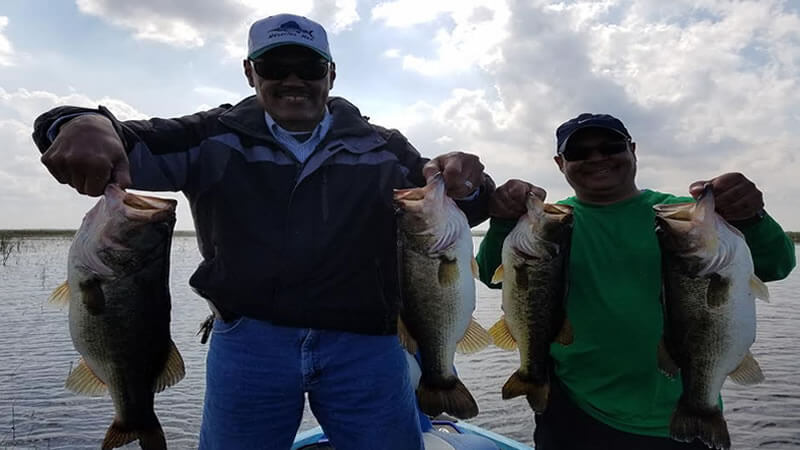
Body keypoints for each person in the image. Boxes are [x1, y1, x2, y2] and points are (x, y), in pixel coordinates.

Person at [32, 14, 496, 450]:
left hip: (367, 346)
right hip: (248, 345)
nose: (292, 79)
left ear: (331, 74)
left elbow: (459, 208)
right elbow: (117, 145)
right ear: (250, 72)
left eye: (308, 66)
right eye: (275, 66)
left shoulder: (384, 147)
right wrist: (77, 122)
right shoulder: (209, 136)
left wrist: (472, 180)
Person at [476, 113, 796, 450]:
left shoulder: (680, 218)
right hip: (575, 409)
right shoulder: (552, 225)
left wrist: (751, 217)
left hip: (678, 410)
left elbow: (777, 264)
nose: (597, 158)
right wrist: (500, 222)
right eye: (579, 152)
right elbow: (492, 275)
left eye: (611, 146)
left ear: (632, 149)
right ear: (560, 163)